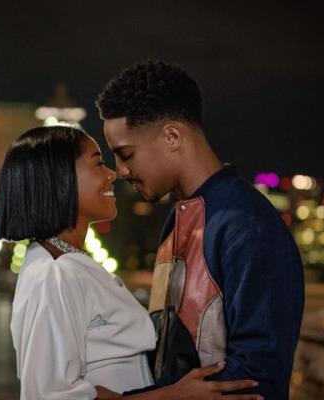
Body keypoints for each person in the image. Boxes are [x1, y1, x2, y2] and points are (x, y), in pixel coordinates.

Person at [0, 125, 263, 399]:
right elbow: (51, 395)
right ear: (60, 178)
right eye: (98, 164)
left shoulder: (65, 264)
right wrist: (173, 396)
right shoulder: (54, 273)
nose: (113, 175)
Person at [95, 60, 304, 399]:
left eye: (126, 154)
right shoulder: (177, 221)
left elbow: (257, 378)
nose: (120, 170)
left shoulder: (246, 225)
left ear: (172, 136)